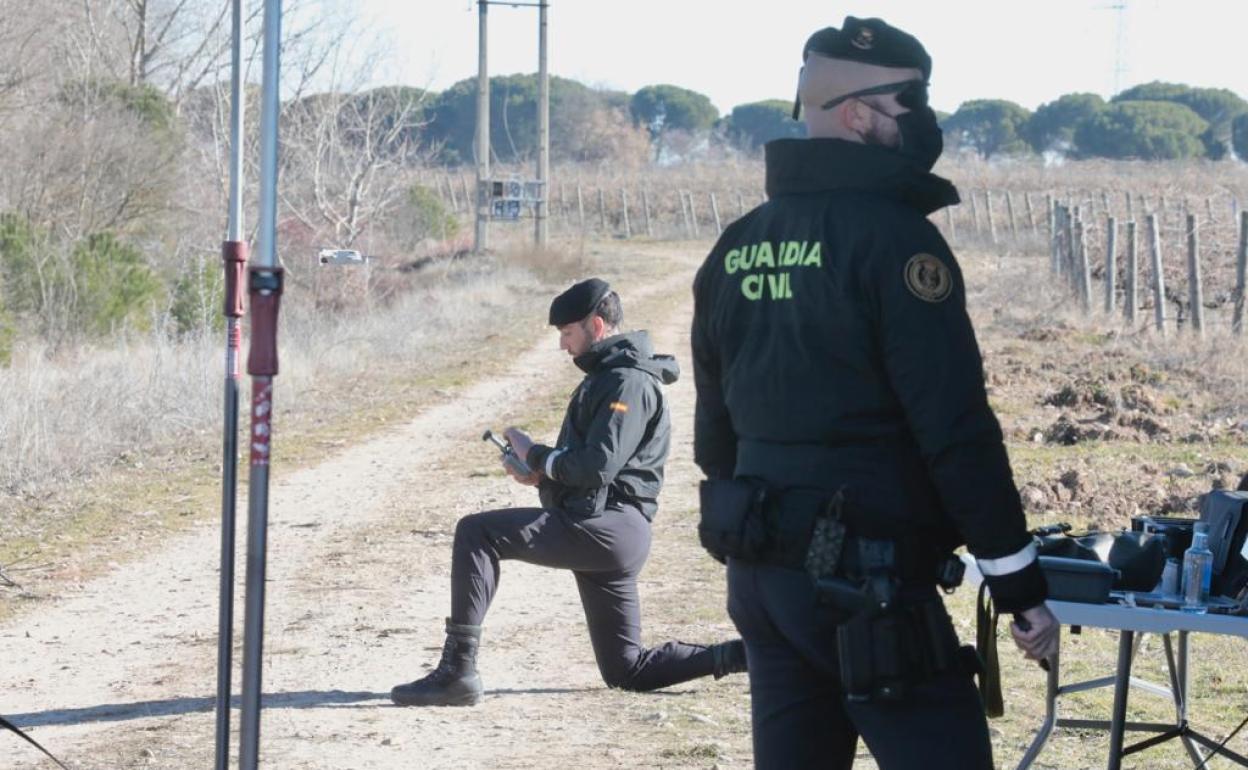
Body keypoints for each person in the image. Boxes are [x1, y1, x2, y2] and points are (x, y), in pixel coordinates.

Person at [689, 17, 1060, 769]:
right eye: (913, 102)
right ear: (859, 114)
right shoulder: (896, 241)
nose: (925, 121)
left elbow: (713, 437)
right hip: (869, 586)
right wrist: (1020, 584)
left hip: (764, 579)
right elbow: (954, 428)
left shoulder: (738, 243)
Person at [392, 278, 746, 707]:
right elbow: (593, 468)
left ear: (596, 325)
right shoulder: (609, 378)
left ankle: (457, 673)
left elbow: (598, 466)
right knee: (627, 670)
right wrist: (539, 477)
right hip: (608, 532)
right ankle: (746, 656)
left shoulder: (626, 383)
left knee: (476, 533)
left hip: (604, 529)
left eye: (567, 332)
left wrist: (537, 454)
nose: (562, 345)